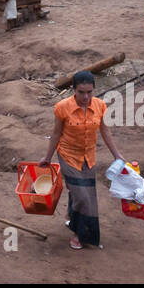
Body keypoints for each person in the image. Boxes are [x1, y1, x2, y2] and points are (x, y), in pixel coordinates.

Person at [39, 70, 128, 251]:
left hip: (88, 157)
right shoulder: (62, 107)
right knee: (84, 198)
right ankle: (79, 234)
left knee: (83, 194)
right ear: (74, 90)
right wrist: (47, 158)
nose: (86, 97)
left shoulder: (100, 106)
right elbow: (56, 133)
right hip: (68, 156)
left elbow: (105, 131)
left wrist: (117, 155)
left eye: (89, 92)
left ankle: (72, 216)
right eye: (81, 92)